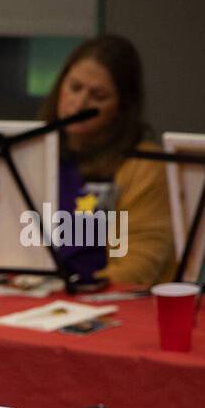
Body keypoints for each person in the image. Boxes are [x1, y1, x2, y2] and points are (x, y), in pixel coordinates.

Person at [41, 34, 174, 287]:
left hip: (101, 298)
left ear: (121, 108)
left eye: (98, 96)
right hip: (28, 294)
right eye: (75, 87)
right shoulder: (31, 150)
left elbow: (139, 267)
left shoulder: (144, 165)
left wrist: (68, 288)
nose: (79, 105)